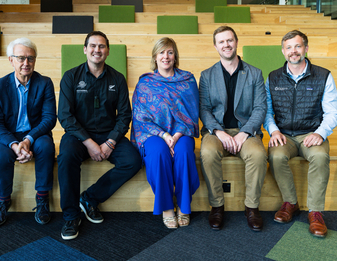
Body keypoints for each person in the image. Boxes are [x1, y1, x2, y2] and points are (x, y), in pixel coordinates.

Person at [57, 31, 142, 240]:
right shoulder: (70, 77)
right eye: (93, 46)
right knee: (65, 157)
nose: (97, 50)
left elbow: (124, 115)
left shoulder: (118, 79)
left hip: (109, 134)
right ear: (85, 49)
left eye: (102, 46)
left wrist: (110, 142)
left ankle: (89, 198)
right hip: (78, 135)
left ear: (108, 51)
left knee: (133, 160)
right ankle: (70, 216)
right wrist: (89, 143)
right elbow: (65, 116)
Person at [264, 30, 337, 238]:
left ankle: (315, 212)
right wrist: (273, 130)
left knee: (320, 156)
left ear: (306, 48)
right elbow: (267, 111)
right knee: (275, 156)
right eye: (289, 47)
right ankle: (290, 203)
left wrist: (321, 133)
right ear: (283, 51)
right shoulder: (273, 77)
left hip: (311, 133)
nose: (293, 51)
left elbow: (333, 112)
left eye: (298, 46)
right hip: (284, 135)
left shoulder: (323, 75)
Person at [199, 26, 268, 231]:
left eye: (229, 40)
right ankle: (217, 206)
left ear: (236, 42)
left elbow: (260, 107)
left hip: (245, 129)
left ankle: (252, 207)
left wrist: (245, 132)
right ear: (215, 46)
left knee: (257, 154)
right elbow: (203, 108)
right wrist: (218, 131)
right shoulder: (206, 75)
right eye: (221, 42)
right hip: (217, 130)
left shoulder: (254, 73)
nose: (226, 45)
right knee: (208, 152)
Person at [0, 37, 57, 229]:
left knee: (46, 146)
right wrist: (15, 144)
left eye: (31, 58)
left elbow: (49, 118)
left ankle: (42, 198)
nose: (26, 63)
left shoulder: (45, 83)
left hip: (35, 133)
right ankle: (3, 200)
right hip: (6, 134)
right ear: (11, 60)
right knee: (1, 155)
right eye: (21, 58)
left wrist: (28, 139)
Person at [131, 37, 200, 229]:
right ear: (155, 56)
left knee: (184, 152)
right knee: (159, 152)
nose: (166, 56)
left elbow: (192, 114)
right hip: (153, 134)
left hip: (181, 132)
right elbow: (139, 116)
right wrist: (164, 136)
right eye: (161, 52)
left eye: (170, 52)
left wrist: (176, 136)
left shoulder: (187, 80)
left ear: (175, 55)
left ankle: (184, 206)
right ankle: (167, 207)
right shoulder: (146, 83)